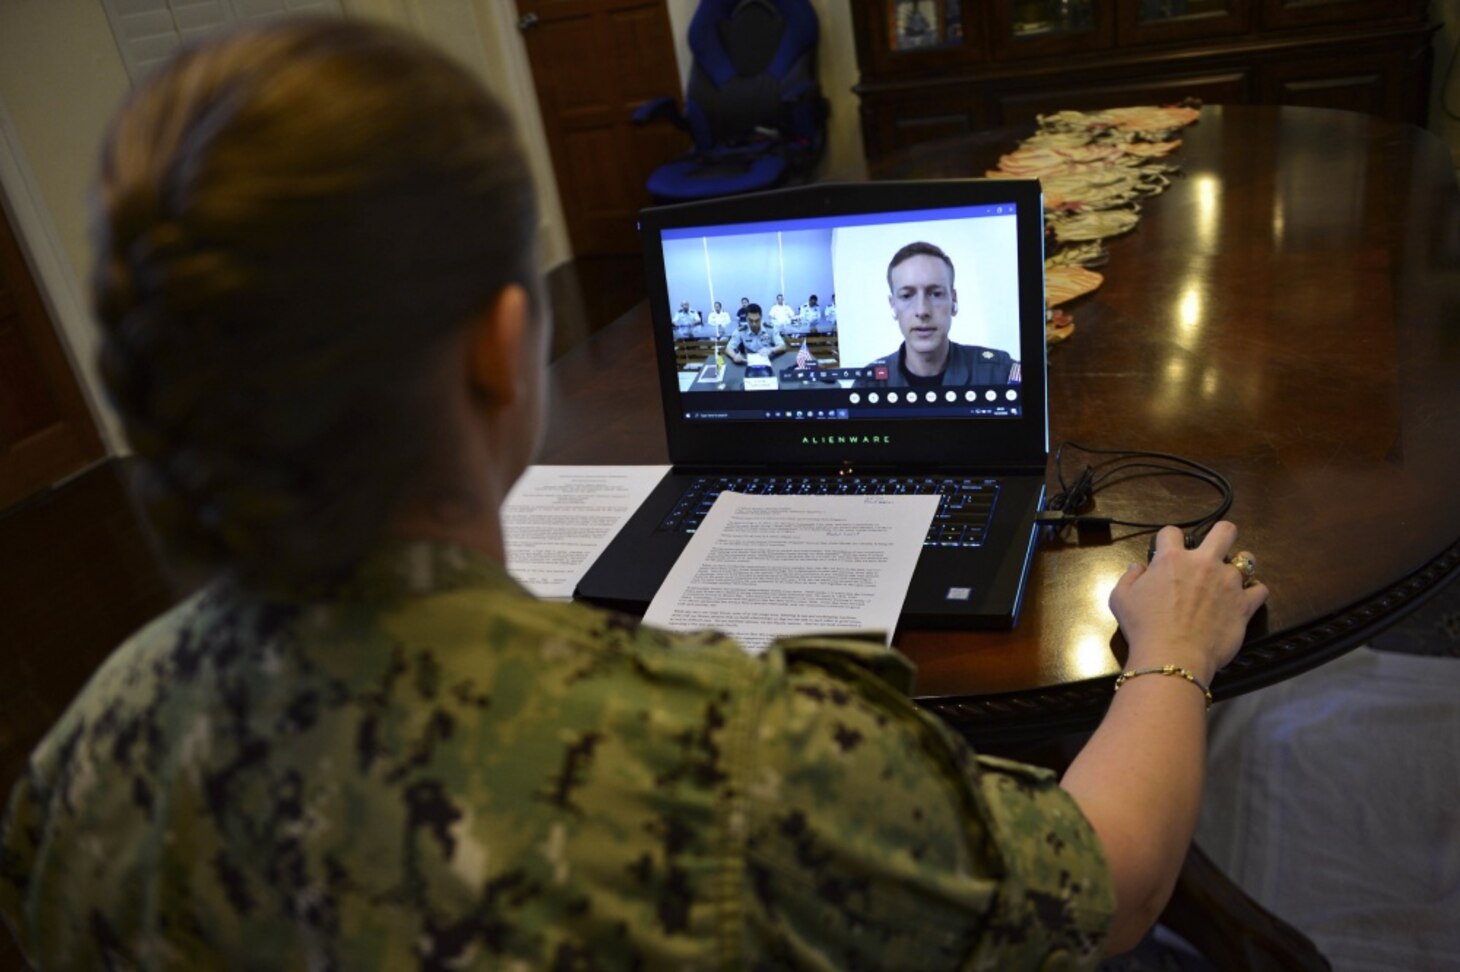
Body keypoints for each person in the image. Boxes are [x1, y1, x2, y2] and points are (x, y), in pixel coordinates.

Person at [0, 19, 1267, 970]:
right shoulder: (738, 754)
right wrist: (1173, 653)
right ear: (503, 350)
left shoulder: (78, 768)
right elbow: (1113, 880)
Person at [854, 241, 1018, 388]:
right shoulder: (868, 384)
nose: (922, 311)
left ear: (953, 301)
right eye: (906, 295)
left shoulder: (1000, 374)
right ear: (893, 306)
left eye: (936, 294)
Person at [722, 303, 787, 364]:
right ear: (746, 319)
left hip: (768, 360)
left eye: (757, 320)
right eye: (751, 320)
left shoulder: (770, 328)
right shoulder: (741, 331)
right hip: (748, 362)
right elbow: (728, 348)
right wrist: (734, 356)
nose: (754, 324)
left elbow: (782, 346)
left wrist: (771, 350)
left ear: (761, 318)